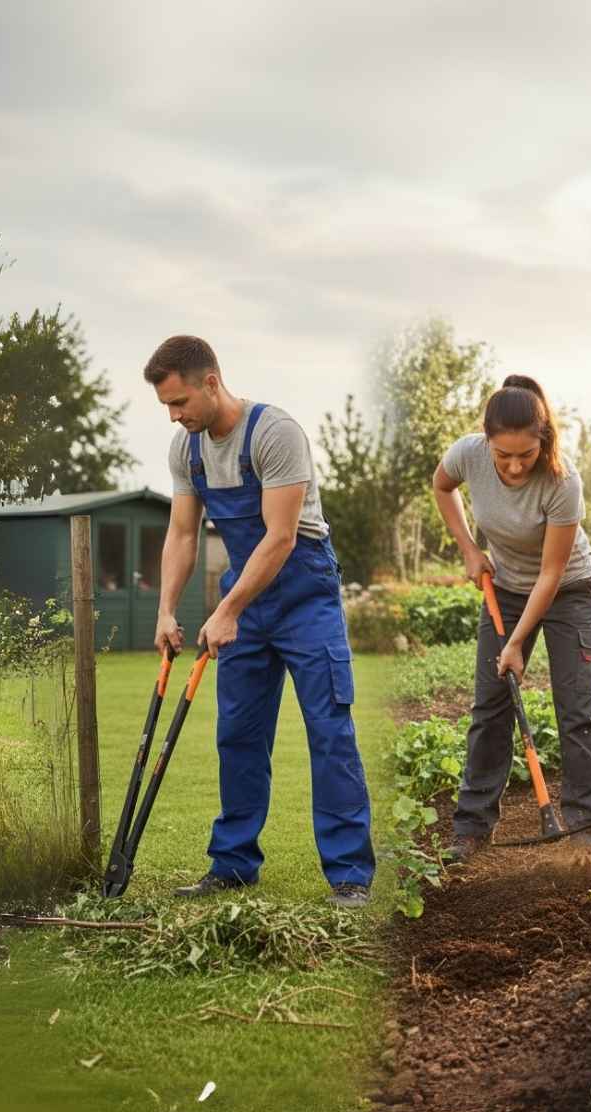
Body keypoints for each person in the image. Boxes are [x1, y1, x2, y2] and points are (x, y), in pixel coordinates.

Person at [145, 335, 374, 907]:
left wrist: (227, 611)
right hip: (246, 602)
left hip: (304, 597)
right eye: (167, 407)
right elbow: (181, 533)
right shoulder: (187, 450)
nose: (175, 416)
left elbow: (280, 537)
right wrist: (167, 609)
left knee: (329, 730)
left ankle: (348, 873)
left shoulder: (274, 433)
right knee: (238, 735)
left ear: (211, 382)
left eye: (180, 403)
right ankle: (233, 863)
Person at [432, 374, 591, 860]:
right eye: (502, 454)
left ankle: (588, 824)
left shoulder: (562, 481)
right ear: (485, 440)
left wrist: (515, 643)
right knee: (490, 706)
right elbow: (442, 485)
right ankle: (471, 826)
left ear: (543, 440)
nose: (512, 466)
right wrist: (470, 550)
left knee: (576, 709)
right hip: (506, 590)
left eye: (524, 456)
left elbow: (551, 574)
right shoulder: (468, 454)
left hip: (568, 591)